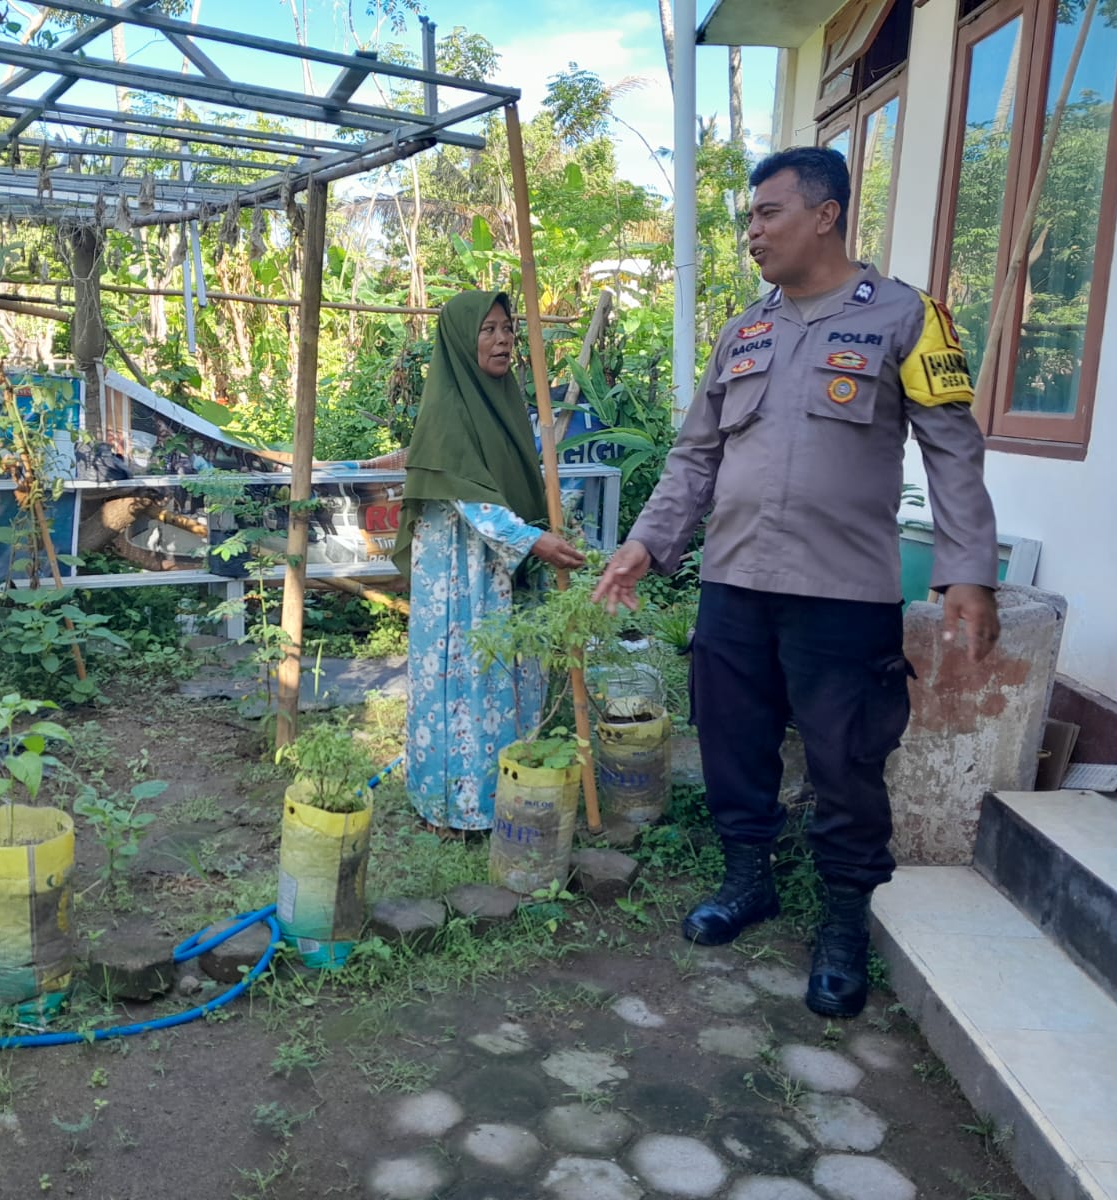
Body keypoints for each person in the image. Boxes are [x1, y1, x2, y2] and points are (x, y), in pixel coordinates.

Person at [591, 147, 1001, 1018]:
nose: (752, 234)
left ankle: (845, 921)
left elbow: (953, 449)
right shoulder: (744, 332)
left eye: (767, 214)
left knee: (847, 762)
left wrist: (969, 571)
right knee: (733, 744)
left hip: (843, 595)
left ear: (825, 214)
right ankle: (749, 881)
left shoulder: (907, 318)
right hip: (735, 583)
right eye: (750, 219)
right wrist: (644, 545)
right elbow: (695, 456)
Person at [389, 290, 584, 834]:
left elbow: (523, 485)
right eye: (489, 330)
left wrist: (551, 526)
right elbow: (473, 504)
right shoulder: (448, 412)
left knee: (511, 676)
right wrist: (535, 541)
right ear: (460, 338)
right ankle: (457, 805)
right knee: (468, 679)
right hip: (461, 576)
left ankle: (511, 792)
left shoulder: (506, 401)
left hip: (507, 567)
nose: (503, 341)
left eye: (508, 330)